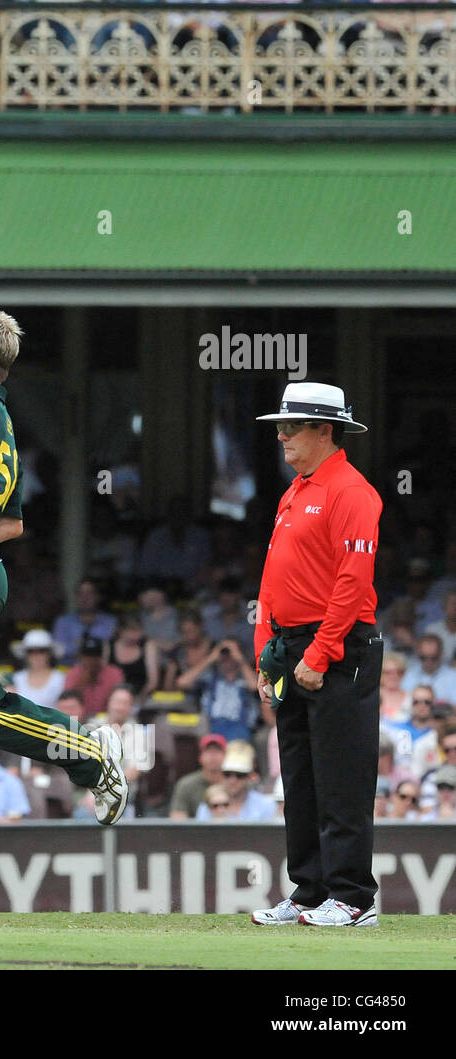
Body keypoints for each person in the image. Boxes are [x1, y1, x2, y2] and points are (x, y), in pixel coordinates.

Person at [250, 383, 383, 928]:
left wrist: (323, 652)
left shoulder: (352, 491)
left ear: (325, 430)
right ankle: (309, 892)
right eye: (280, 426)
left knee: (341, 775)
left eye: (291, 426)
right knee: (301, 776)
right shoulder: (296, 490)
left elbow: (353, 582)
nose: (280, 436)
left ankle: (354, 898)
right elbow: (273, 575)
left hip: (339, 645)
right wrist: (266, 652)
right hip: (294, 644)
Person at [194, 741, 275, 822]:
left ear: (249, 776)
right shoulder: (209, 806)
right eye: (227, 774)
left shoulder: (265, 805)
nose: (233, 780)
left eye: (240, 775)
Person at [169, 733, 227, 819]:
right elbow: (177, 822)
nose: (213, 756)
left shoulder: (236, 781)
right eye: (208, 751)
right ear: (200, 757)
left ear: (226, 756)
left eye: (217, 751)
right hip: (195, 832)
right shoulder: (186, 785)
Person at [8, 629, 65, 710]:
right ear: (26, 654)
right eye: (31, 651)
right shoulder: (16, 678)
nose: (36, 655)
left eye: (41, 651)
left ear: (49, 653)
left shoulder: (60, 678)